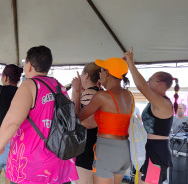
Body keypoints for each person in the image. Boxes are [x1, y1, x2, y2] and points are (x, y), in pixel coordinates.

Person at [0, 46, 78, 184]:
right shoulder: (59, 86)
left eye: (25, 63)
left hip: (32, 163)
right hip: (59, 159)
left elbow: (12, 121)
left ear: (30, 66)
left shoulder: (29, 85)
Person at [72, 57, 134, 184]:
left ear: (107, 73)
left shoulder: (102, 96)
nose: (99, 75)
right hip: (124, 150)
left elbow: (77, 118)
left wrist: (77, 92)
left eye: (101, 71)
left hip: (107, 150)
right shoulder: (129, 95)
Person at [124, 47, 179, 184]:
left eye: (150, 80)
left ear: (160, 84)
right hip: (147, 148)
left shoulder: (164, 104)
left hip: (157, 152)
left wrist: (131, 64)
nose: (148, 82)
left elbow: (142, 86)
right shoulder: (156, 101)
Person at [71, 63, 101, 184]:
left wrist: (76, 92)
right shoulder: (98, 92)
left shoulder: (89, 94)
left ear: (86, 76)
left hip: (86, 145)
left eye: (82, 75)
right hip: (93, 144)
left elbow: (87, 121)